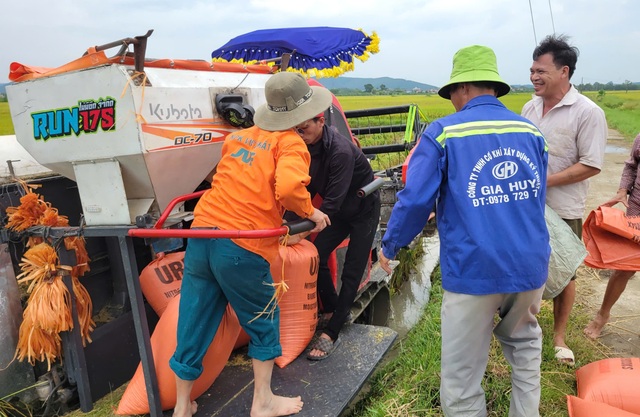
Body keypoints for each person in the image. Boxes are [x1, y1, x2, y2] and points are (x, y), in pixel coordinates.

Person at [379, 45, 550, 417]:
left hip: (475, 267)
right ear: (493, 87)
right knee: (524, 348)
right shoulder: (530, 131)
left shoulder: (443, 133)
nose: (453, 100)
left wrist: (390, 246)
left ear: (463, 89)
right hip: (531, 263)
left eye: (453, 93)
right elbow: (535, 199)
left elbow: (414, 201)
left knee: (460, 376)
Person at [169, 71, 332, 417]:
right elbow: (288, 189)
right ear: (302, 114)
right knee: (263, 319)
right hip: (242, 244)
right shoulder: (291, 144)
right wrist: (311, 212)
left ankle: (183, 406)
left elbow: (223, 179)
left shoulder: (239, 138)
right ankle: (263, 402)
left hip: (201, 236)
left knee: (194, 320)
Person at [521, 34, 608, 365]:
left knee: (564, 270)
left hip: (563, 206)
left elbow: (590, 164)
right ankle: (522, 325)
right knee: (526, 261)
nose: (534, 77)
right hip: (527, 205)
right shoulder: (530, 107)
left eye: (541, 71)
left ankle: (559, 337)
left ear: (564, 72)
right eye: (532, 70)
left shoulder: (587, 112)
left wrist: (544, 182)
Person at [285, 107, 381, 361]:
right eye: (296, 129)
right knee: (316, 254)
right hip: (336, 209)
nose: (299, 133)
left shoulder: (339, 150)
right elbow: (298, 188)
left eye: (304, 128)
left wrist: (299, 232)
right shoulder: (301, 147)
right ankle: (331, 307)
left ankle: (332, 332)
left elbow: (331, 204)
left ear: (320, 121)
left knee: (352, 268)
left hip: (362, 208)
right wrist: (286, 223)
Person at [584, 132, 640, 339]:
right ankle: (602, 315)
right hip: (636, 211)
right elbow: (632, 165)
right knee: (624, 268)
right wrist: (623, 189)